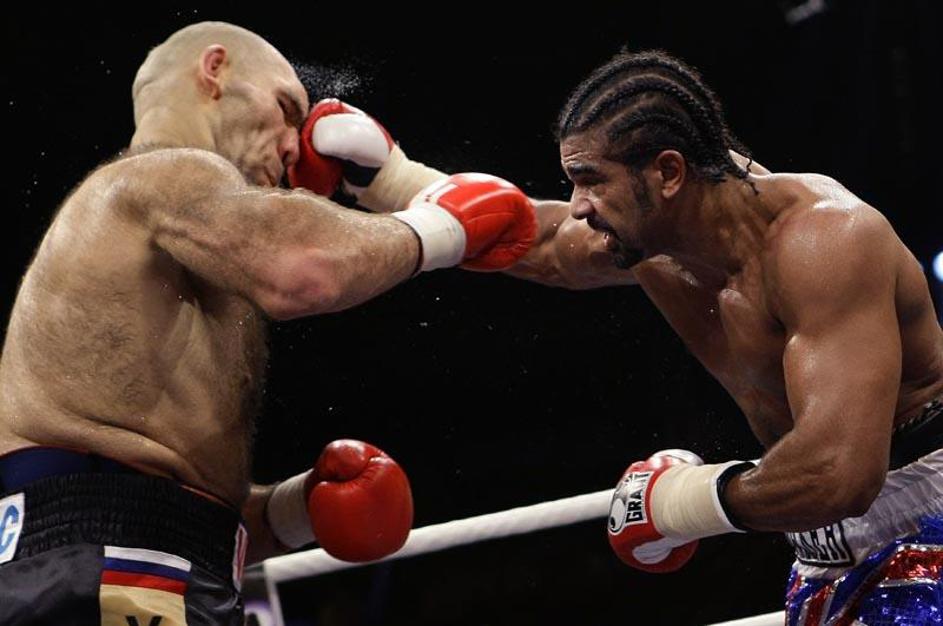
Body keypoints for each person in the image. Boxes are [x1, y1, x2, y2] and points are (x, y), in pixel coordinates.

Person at [301, 49, 943, 623]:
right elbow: (540, 240)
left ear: (668, 173)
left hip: (926, 517)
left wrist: (682, 503)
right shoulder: (654, 241)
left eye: (591, 179)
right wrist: (393, 179)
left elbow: (839, 473)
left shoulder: (825, 243)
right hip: (820, 549)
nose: (579, 203)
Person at [0, 21, 536, 625]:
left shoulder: (171, 256)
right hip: (101, 574)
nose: (293, 147)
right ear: (215, 70)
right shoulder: (159, 173)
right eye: (285, 110)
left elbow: (159, 498)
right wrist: (440, 224)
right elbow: (304, 270)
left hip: (131, 571)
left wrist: (292, 512)